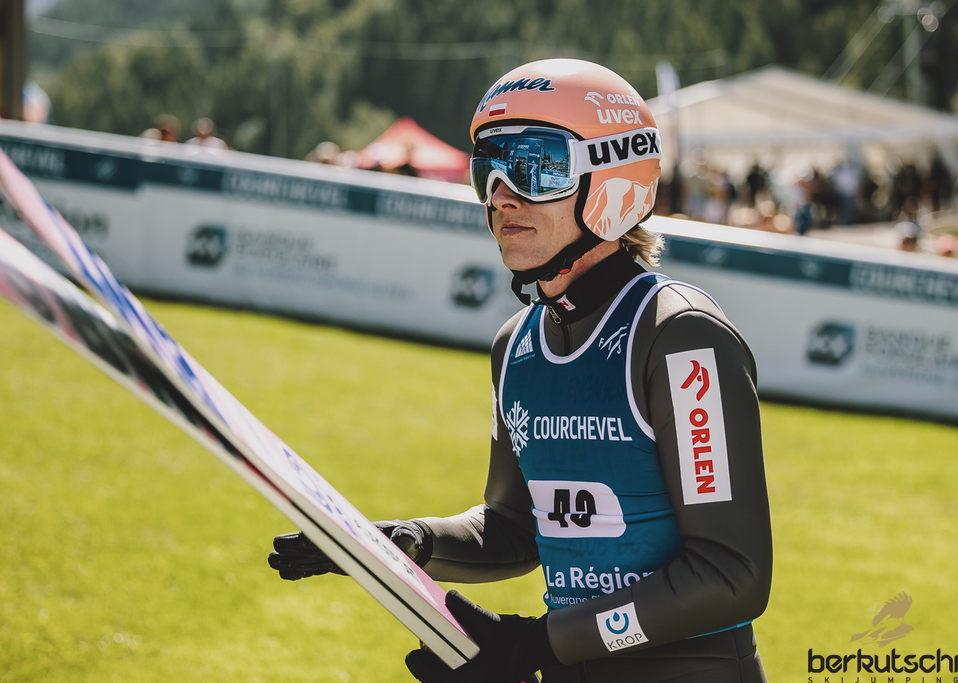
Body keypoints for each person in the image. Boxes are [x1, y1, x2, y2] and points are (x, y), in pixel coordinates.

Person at [268, 58, 773, 683]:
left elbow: (732, 574)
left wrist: (535, 645)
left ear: (612, 180)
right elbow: (513, 528)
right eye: (489, 169)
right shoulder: (516, 346)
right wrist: (404, 543)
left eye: (538, 167)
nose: (503, 195)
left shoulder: (680, 338)